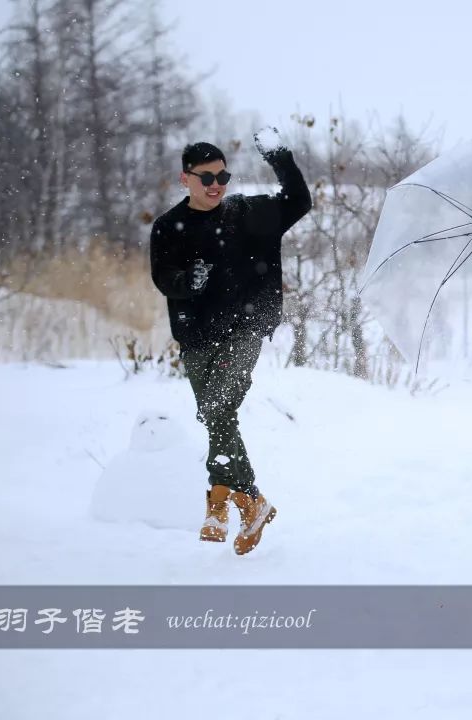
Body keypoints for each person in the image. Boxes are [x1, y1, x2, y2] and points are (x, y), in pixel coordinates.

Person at [150, 136, 311, 555]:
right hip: (196, 337)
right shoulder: (169, 226)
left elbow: (299, 200)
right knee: (217, 416)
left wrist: (281, 158)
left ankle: (219, 498)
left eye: (222, 175)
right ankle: (250, 501)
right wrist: (188, 282)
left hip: (244, 329)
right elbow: (162, 276)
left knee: (218, 408)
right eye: (206, 177)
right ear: (185, 178)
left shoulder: (249, 213)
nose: (216, 184)